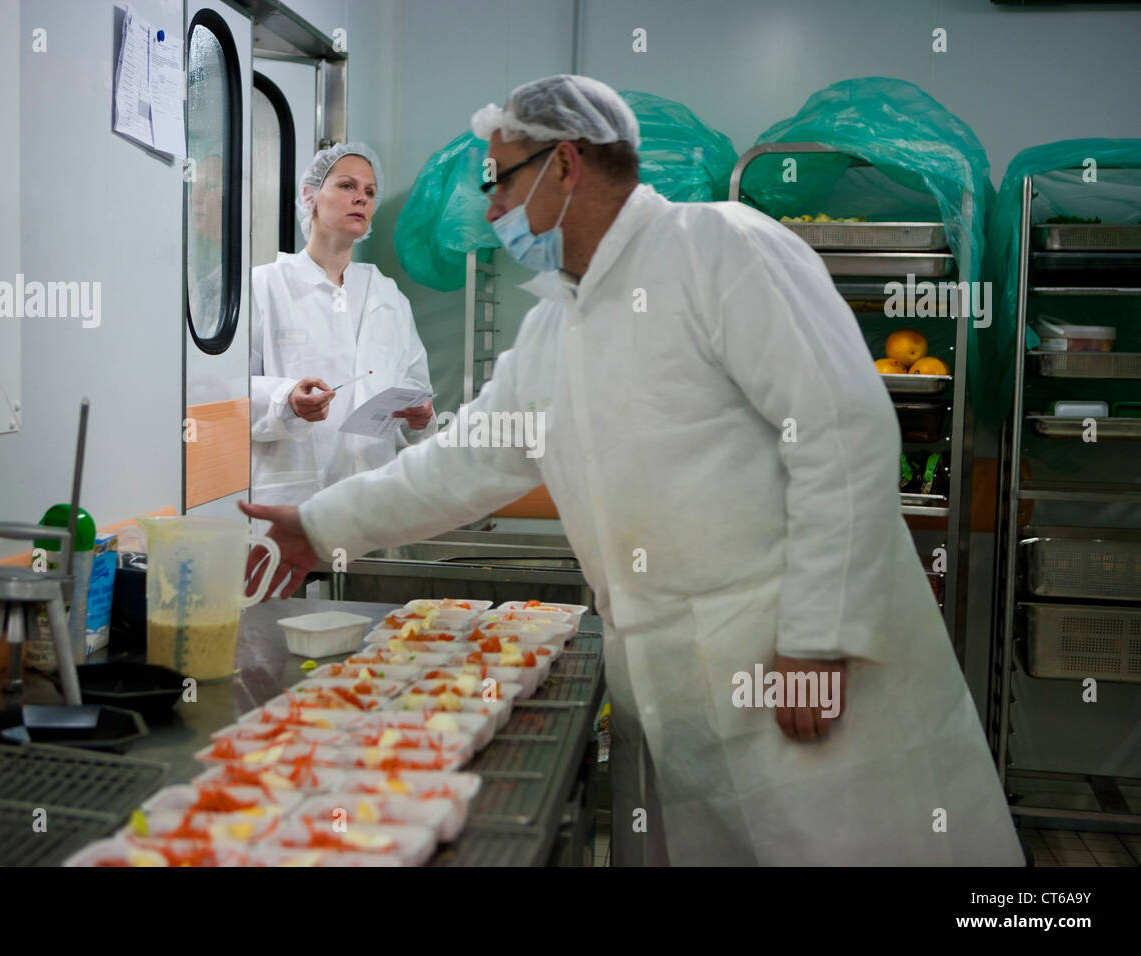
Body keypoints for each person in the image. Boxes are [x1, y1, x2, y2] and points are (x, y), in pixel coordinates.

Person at [239, 76, 1025, 866]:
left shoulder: (722, 247)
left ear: (566, 165)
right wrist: (321, 526)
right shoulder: (558, 325)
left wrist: (818, 641)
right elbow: (462, 460)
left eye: (500, 181)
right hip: (674, 686)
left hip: (795, 669)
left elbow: (842, 433)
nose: (491, 209)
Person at [249, 143, 436, 529]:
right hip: (292, 500)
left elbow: (416, 389)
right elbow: (224, 392)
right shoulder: (265, 285)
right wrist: (287, 400)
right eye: (347, 186)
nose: (361, 199)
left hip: (373, 503)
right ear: (310, 196)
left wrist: (421, 419)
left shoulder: (388, 298)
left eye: (369, 192)